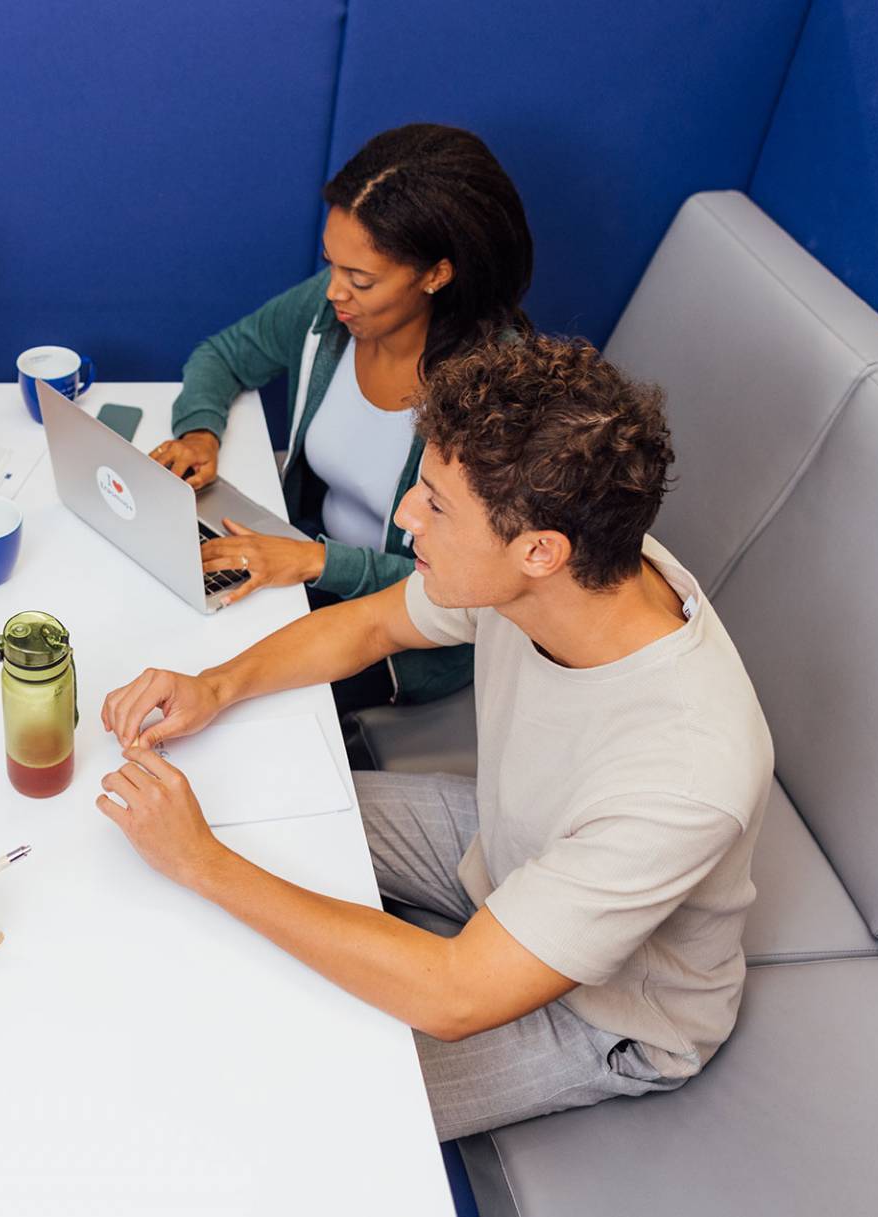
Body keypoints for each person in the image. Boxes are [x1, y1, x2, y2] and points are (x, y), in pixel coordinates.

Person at [98, 337, 773, 1140]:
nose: (407, 516)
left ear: (537, 550)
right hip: (505, 846)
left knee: (280, 1108)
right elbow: (376, 622)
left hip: (610, 1005)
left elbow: (452, 993)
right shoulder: (562, 572)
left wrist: (200, 861)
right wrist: (214, 685)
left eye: (435, 504)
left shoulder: (685, 773)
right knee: (256, 807)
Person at [151, 123, 533, 708]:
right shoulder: (335, 311)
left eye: (361, 279)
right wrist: (200, 432)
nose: (334, 292)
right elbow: (224, 355)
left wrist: (316, 561)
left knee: (232, 702)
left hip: (406, 632)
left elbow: (471, 591)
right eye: (331, 264)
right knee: (163, 622)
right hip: (305, 561)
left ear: (437, 273)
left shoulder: (499, 390)